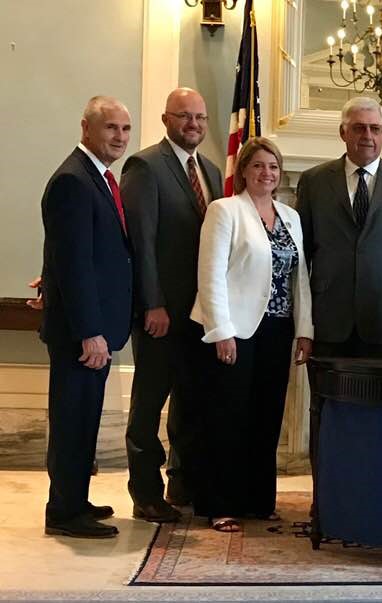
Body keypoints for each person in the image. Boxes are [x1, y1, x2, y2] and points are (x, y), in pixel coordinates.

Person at [190, 137, 313, 532]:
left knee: (266, 416)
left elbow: (301, 280)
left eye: (273, 167)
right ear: (243, 170)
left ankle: (258, 501)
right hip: (235, 330)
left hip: (278, 330)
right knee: (228, 418)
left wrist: (304, 331)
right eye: (258, 166)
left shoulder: (290, 216)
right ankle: (220, 504)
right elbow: (210, 275)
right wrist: (220, 330)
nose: (267, 173)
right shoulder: (224, 210)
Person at [121, 87, 223, 521]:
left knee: (191, 404)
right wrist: (153, 304)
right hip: (160, 314)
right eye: (185, 117)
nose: (194, 125)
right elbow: (140, 244)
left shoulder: (213, 172)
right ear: (166, 120)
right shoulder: (145, 166)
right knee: (148, 406)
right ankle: (145, 494)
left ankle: (182, 484)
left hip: (200, 315)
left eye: (199, 117)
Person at [40, 96, 133, 538]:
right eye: (110, 128)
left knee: (83, 419)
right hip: (83, 334)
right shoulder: (73, 181)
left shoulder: (97, 179)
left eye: (125, 129)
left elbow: (75, 255)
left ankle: (74, 499)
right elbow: (74, 264)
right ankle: (63, 513)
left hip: (92, 328)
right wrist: (90, 332)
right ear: (86, 129)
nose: (119, 137)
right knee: (72, 420)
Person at [296, 96, 382, 359]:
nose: (368, 135)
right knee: (326, 400)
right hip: (327, 321)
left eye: (375, 128)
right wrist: (303, 319)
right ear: (343, 133)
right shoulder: (314, 181)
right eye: (359, 127)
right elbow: (302, 255)